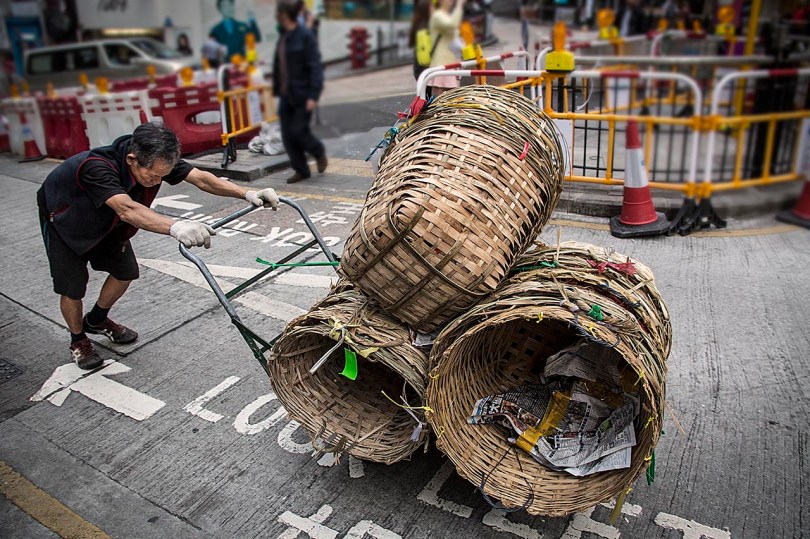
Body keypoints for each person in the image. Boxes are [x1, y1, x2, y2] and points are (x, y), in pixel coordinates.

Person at [37, 123, 279, 370]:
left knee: (125, 272)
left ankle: (97, 320)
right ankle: (78, 339)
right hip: (67, 220)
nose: (156, 182)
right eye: (152, 176)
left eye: (162, 177)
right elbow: (127, 209)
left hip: (110, 222)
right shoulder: (97, 167)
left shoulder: (158, 161)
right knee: (72, 287)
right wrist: (176, 227)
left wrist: (247, 193)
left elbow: (202, 179)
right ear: (132, 159)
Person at [272, 0, 327, 184]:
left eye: (278, 14)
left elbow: (315, 66)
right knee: (287, 135)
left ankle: (318, 151)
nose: (276, 17)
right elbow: (279, 65)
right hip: (286, 94)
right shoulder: (284, 37)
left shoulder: (304, 36)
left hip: (303, 94)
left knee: (298, 131)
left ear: (285, 15)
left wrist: (314, 94)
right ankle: (301, 169)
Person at [428, 0, 466, 97]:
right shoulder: (438, 16)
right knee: (438, 97)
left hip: (449, 62)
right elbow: (451, 25)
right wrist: (459, 6)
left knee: (451, 99)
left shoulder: (445, 16)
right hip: (441, 62)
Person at [408, 0, 431, 80]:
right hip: (433, 65)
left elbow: (410, 43)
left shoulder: (417, 24)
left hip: (420, 66)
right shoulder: (433, 25)